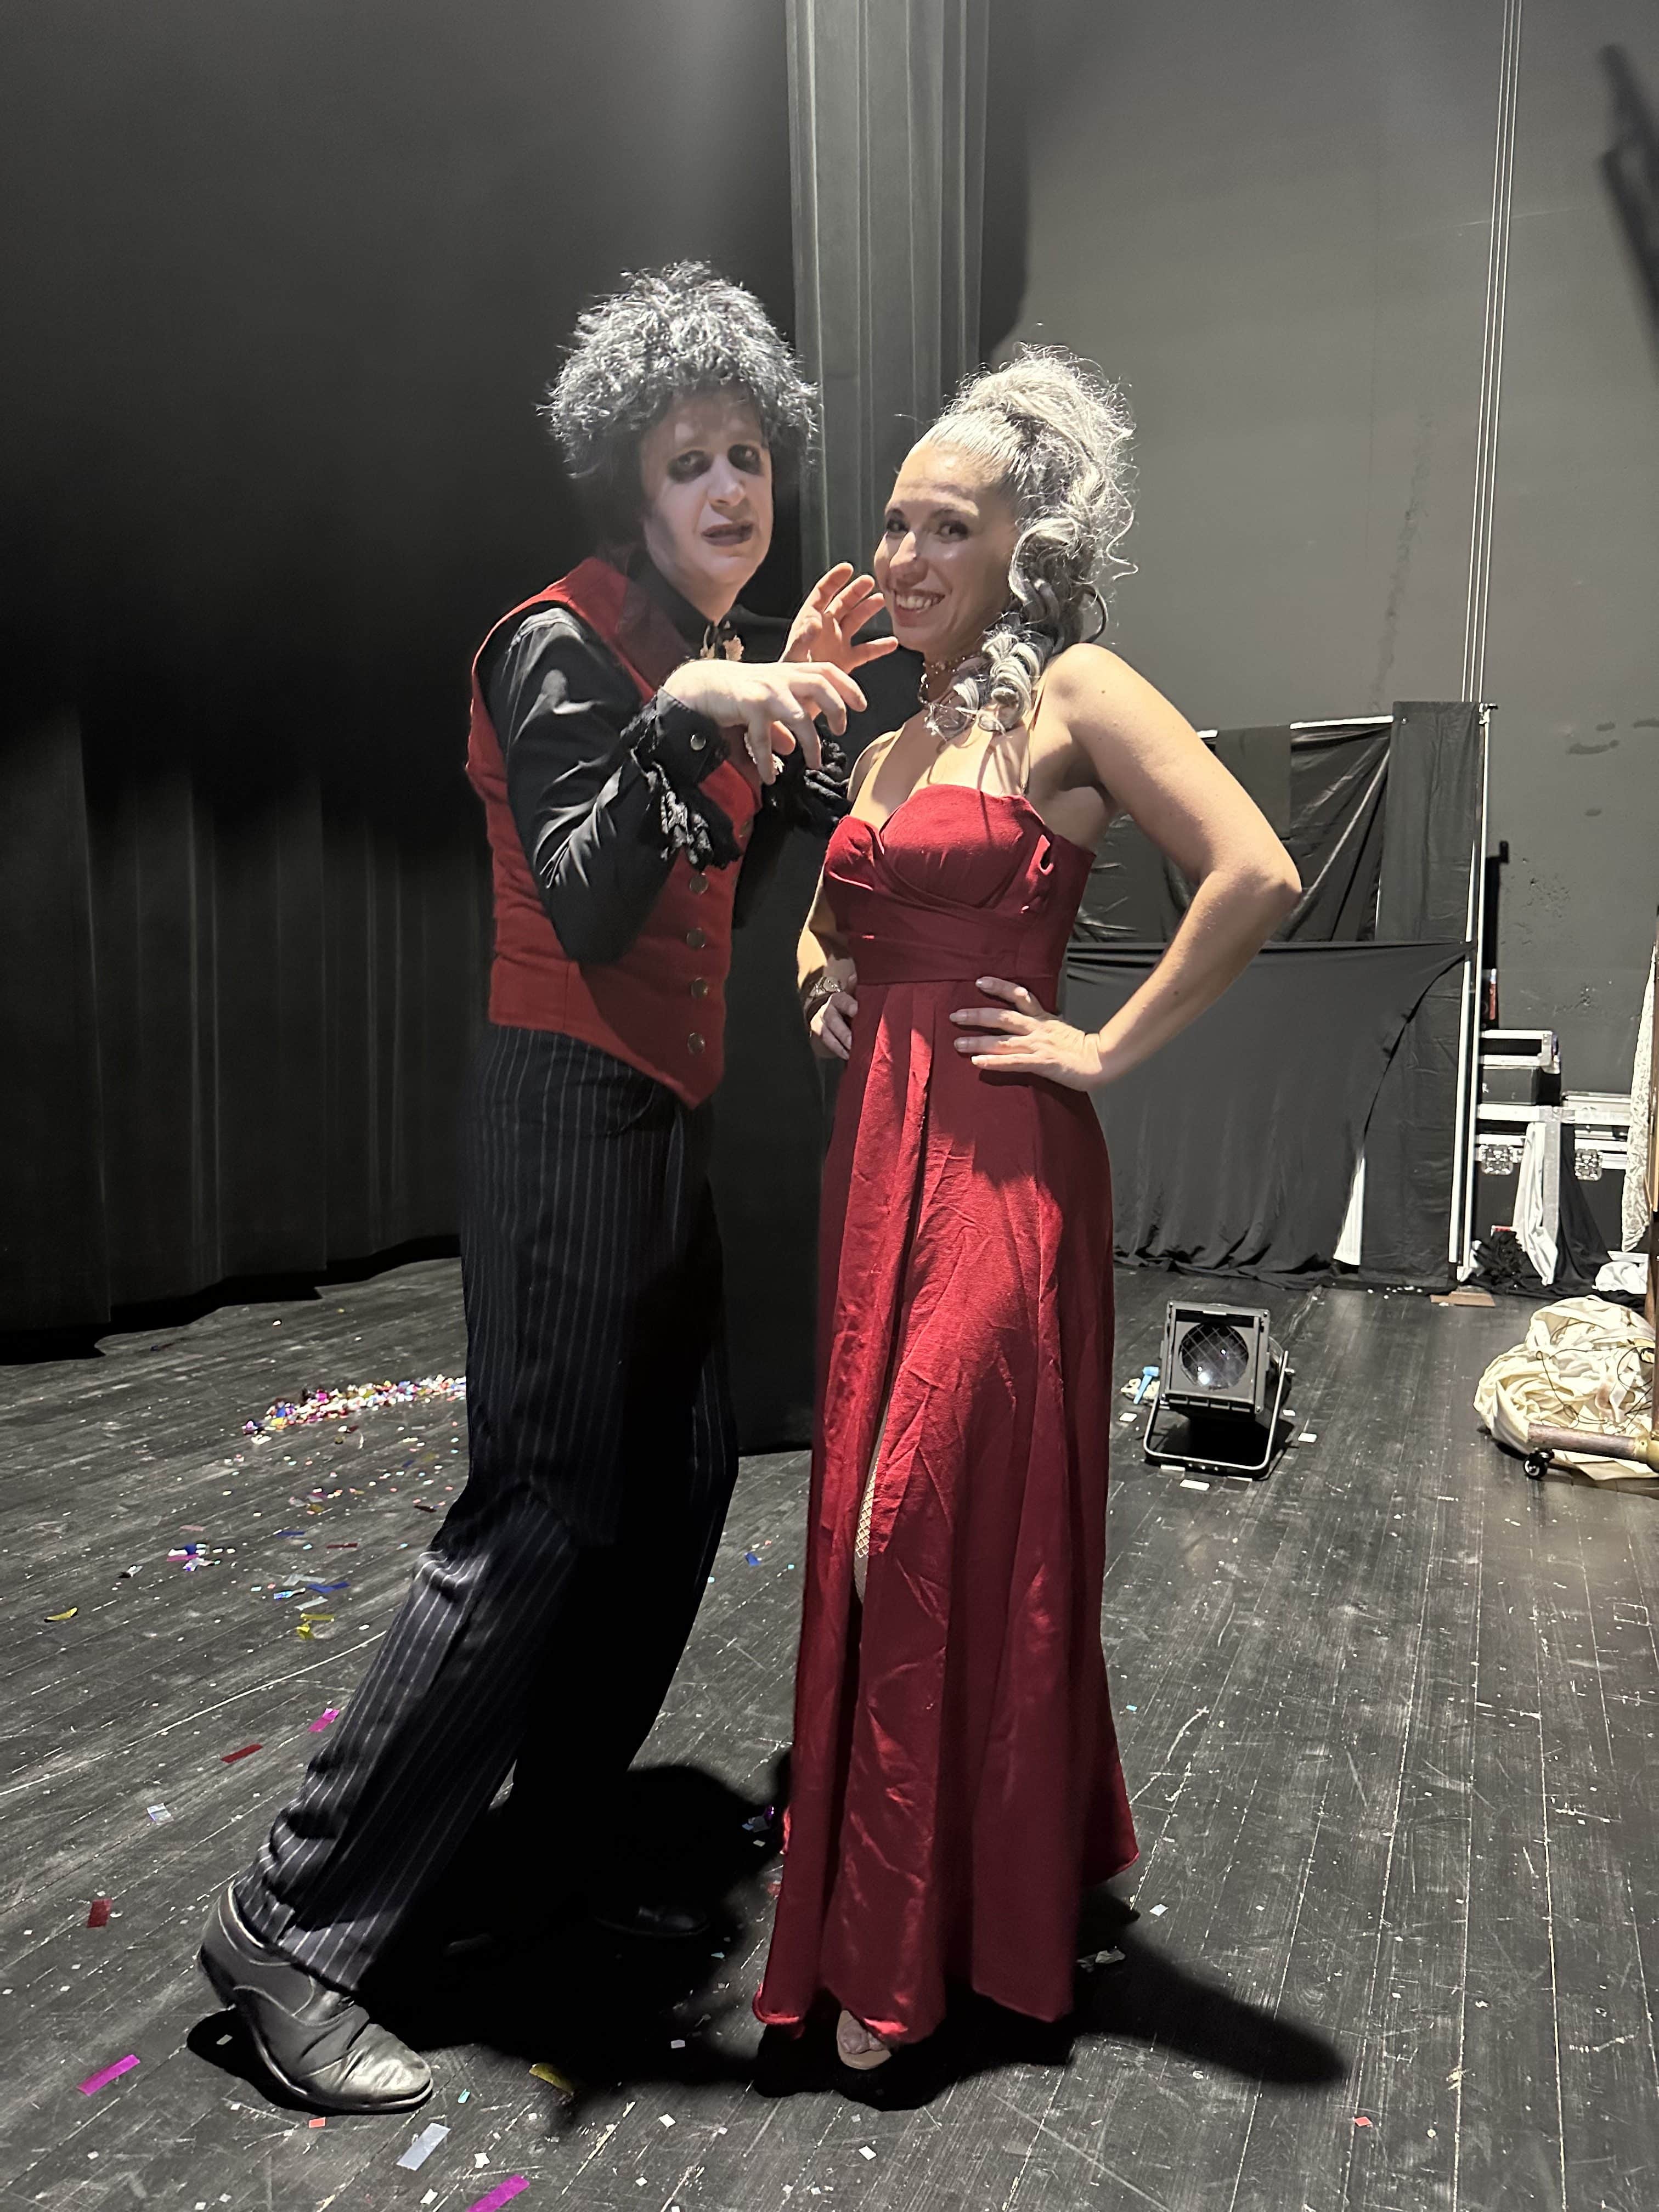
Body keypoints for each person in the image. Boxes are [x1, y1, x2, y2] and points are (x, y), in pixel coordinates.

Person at [199, 262, 893, 2115]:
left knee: (672, 1497)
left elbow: (714, 888)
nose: (729, 489)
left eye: (748, 457)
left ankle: (534, 1854)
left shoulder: (696, 654)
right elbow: (590, 900)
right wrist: (702, 711)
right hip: (563, 1111)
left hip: (662, 1124)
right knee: (535, 1515)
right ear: (629, 486)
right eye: (690, 463)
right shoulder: (560, 645)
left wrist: (790, 750)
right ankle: (294, 1919)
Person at [754, 349, 1301, 2072]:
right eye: (894, 523)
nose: (906, 554)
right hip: (877, 1172)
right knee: (907, 1537)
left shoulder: (1074, 692)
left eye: (949, 525)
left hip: (1004, 1172)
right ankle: (967, 1879)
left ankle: (904, 1949)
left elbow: (1257, 868)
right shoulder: (890, 736)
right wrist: (819, 979)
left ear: (1022, 545)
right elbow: (828, 911)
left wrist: (1105, 1048)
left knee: (908, 1529)